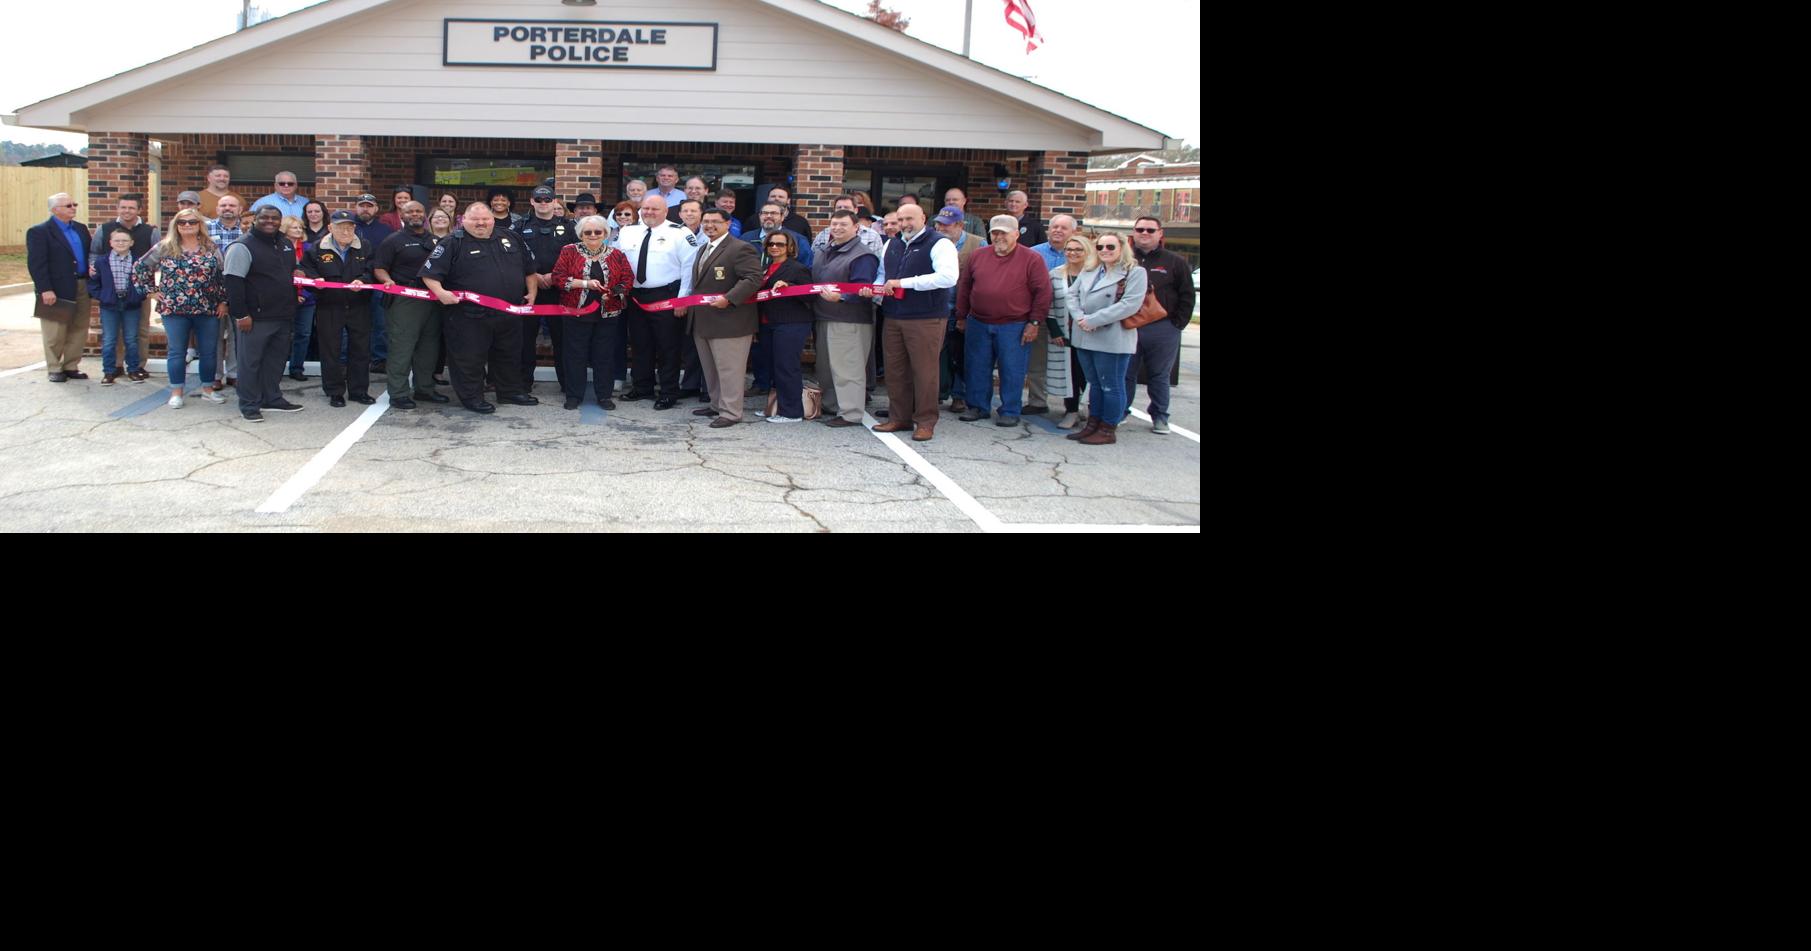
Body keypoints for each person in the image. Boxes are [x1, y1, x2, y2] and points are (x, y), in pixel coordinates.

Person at [420, 203, 539, 414]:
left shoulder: (511, 238)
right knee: (469, 358)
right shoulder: (452, 242)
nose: (481, 223)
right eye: (475, 220)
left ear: (493, 219)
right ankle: (472, 397)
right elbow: (430, 274)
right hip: (468, 316)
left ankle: (510, 391)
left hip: (509, 313)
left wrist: (532, 292)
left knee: (509, 355)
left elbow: (529, 269)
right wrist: (441, 293)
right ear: (463, 220)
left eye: (485, 219)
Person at [867, 202, 955, 441]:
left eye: (910, 219)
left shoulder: (939, 242)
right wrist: (873, 291)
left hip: (926, 317)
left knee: (925, 372)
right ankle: (899, 418)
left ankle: (925, 422)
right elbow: (883, 276)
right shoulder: (891, 244)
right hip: (894, 315)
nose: (905, 224)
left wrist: (904, 283)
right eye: (901, 219)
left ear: (923, 218)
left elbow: (948, 277)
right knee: (895, 371)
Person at [956, 214, 1052, 427]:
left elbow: (1042, 293)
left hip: (1015, 324)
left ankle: (1010, 410)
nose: (998, 237)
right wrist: (961, 315)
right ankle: (977, 406)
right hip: (978, 322)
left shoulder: (1032, 258)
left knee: (1012, 369)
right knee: (977, 367)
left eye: (1004, 233)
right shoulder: (978, 255)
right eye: (995, 233)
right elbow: (965, 287)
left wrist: (1034, 322)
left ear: (1016, 234)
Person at [133, 209, 227, 407]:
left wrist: (223, 301)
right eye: (182, 222)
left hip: (207, 307)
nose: (187, 225)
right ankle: (176, 392)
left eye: (192, 221)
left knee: (209, 351)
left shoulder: (210, 247)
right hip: (174, 308)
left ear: (199, 224)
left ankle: (208, 389)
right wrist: (150, 291)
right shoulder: (165, 247)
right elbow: (140, 267)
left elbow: (222, 275)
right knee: (177, 351)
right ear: (175, 225)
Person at [614, 194, 700, 409]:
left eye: (654, 209)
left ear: (665, 211)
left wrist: (683, 300)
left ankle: (668, 392)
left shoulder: (680, 234)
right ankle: (642, 387)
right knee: (640, 344)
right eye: (645, 208)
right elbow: (618, 262)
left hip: (667, 296)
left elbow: (689, 269)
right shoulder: (628, 232)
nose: (649, 212)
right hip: (635, 297)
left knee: (667, 347)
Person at [223, 205, 305, 422]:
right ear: (255, 220)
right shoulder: (242, 246)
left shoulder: (285, 243)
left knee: (275, 361)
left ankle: (272, 398)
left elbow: (290, 270)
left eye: (275, 218)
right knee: (250, 363)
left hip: (283, 314)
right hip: (254, 318)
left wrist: (298, 272)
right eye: (265, 218)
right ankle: (249, 404)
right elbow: (233, 282)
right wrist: (241, 315)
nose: (270, 221)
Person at [681, 208, 761, 428]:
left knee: (729, 370)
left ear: (728, 224)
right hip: (704, 320)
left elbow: (754, 278)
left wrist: (729, 298)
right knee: (711, 369)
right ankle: (717, 405)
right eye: (706, 222)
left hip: (730, 321)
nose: (709, 226)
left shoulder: (740, 248)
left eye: (715, 222)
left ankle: (731, 412)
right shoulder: (704, 248)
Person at [1065, 231, 1144, 445]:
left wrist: (1094, 320)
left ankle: (1108, 428)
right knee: (1094, 384)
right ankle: (1093, 424)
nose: (1105, 251)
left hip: (1112, 336)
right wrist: (1080, 317)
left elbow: (1129, 305)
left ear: (1122, 248)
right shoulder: (1090, 270)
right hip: (1084, 334)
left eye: (1110, 247)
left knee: (1111, 385)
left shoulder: (1134, 273)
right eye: (1100, 247)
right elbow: (1071, 294)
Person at [548, 215, 633, 411]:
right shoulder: (569, 251)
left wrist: (612, 293)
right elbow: (558, 278)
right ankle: (573, 395)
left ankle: (604, 396)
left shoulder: (617, 254)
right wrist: (583, 283)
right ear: (580, 234)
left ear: (605, 233)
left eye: (598, 232)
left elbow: (627, 279)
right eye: (588, 232)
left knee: (604, 355)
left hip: (608, 313)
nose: (593, 235)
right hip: (576, 313)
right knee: (574, 355)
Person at [1124, 217, 1194, 436]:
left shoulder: (1174, 262)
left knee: (1159, 375)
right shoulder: (1124, 258)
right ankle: (1120, 412)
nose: (1144, 233)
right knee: (1126, 373)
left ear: (1160, 233)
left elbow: (1187, 295)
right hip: (1128, 326)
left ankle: (1160, 416)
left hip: (1163, 328)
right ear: (1133, 232)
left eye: (1150, 230)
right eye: (1140, 229)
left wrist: (1177, 325)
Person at [299, 210, 376, 408]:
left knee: (360, 349)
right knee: (330, 350)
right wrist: (314, 283)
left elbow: (372, 270)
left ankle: (359, 391)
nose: (345, 230)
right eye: (341, 226)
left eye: (349, 226)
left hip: (359, 305)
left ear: (355, 228)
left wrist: (364, 280)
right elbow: (306, 272)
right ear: (330, 228)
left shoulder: (365, 246)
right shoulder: (317, 248)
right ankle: (334, 392)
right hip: (329, 305)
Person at [810, 210, 880, 429]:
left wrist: (841, 297)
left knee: (848, 368)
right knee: (826, 367)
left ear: (856, 228)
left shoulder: (862, 255)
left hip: (849, 319)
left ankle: (850, 413)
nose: (837, 228)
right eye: (834, 224)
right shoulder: (824, 250)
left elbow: (863, 287)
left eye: (843, 224)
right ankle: (832, 406)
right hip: (824, 315)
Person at [372, 200, 445, 408]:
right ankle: (398, 393)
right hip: (405, 299)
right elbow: (379, 268)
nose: (415, 214)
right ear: (402, 216)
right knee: (402, 347)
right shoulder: (393, 240)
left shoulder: (435, 241)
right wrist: (387, 281)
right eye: (410, 211)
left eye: (419, 211)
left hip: (431, 298)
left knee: (429, 347)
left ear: (425, 215)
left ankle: (425, 389)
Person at [88, 192, 159, 378]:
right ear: (118, 208)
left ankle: (138, 365)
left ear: (139, 210)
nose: (127, 211)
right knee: (113, 334)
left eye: (131, 207)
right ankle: (117, 365)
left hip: (139, 291)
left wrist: (146, 278)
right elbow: (94, 252)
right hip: (111, 290)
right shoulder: (104, 229)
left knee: (140, 330)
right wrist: (92, 267)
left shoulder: (150, 231)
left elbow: (158, 257)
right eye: (123, 207)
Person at [517, 184, 575, 394]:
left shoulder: (569, 227)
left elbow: (576, 257)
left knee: (563, 340)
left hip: (559, 291)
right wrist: (534, 276)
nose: (543, 203)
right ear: (532, 201)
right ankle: (523, 384)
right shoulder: (520, 226)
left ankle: (567, 385)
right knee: (525, 340)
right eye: (539, 200)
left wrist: (554, 275)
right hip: (528, 291)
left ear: (554, 202)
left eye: (547, 199)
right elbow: (514, 257)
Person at [1020, 213, 1079, 416]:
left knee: (1073, 364)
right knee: (1038, 361)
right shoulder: (1034, 253)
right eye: (1054, 227)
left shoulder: (1079, 255)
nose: (1057, 231)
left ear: (1073, 232)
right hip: (1040, 316)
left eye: (1063, 228)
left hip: (1071, 319)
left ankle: (1073, 406)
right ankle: (1037, 401)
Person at [755, 229, 814, 423]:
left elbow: (810, 296)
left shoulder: (797, 269)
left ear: (789, 247)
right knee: (773, 366)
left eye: (779, 244)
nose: (774, 248)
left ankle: (792, 412)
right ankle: (775, 406)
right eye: (771, 244)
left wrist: (790, 287)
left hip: (791, 323)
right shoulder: (766, 268)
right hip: (768, 322)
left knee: (786, 367)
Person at [930, 205, 982, 413]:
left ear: (960, 225)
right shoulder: (931, 242)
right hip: (937, 307)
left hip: (963, 309)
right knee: (937, 355)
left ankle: (959, 395)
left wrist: (968, 312)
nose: (942, 228)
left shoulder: (977, 244)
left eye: (947, 225)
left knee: (960, 355)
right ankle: (938, 393)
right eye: (939, 224)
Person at [1046, 233, 1095, 429]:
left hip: (1091, 332)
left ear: (1087, 251)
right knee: (1071, 373)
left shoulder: (1096, 274)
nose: (1072, 253)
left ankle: (1093, 411)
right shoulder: (1056, 274)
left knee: (1090, 374)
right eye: (1069, 249)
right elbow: (1048, 304)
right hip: (1065, 333)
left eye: (1078, 249)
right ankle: (1071, 410)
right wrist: (1055, 331)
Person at [93, 227, 149, 385]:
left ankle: (133, 369)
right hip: (109, 304)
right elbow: (93, 283)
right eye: (117, 240)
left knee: (131, 338)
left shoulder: (138, 261)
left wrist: (138, 296)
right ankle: (109, 372)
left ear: (131, 243)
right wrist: (102, 296)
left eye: (124, 240)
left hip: (131, 304)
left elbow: (145, 281)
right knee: (110, 339)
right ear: (110, 243)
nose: (121, 243)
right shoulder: (102, 262)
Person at [206, 195, 246, 388]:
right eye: (223, 205)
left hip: (239, 287)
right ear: (217, 208)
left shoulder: (246, 229)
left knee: (236, 333)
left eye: (232, 205)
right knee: (214, 334)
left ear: (239, 209)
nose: (227, 208)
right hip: (212, 289)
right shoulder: (205, 229)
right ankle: (215, 374)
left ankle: (234, 373)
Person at [353, 194, 396, 372]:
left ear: (376, 208)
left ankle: (379, 359)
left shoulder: (385, 230)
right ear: (356, 207)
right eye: (361, 205)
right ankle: (356, 357)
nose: (365, 209)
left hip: (378, 282)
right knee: (356, 324)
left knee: (381, 324)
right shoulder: (349, 227)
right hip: (354, 282)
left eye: (369, 206)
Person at [281, 216, 317, 382]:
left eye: (300, 228)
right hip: (284, 299)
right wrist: (293, 295)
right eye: (294, 227)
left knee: (303, 334)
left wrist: (303, 294)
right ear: (285, 229)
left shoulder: (310, 249)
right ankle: (278, 367)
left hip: (307, 299)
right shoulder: (279, 248)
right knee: (282, 335)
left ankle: (297, 368)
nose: (298, 230)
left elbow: (315, 274)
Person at [811, 194, 883, 256]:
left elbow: (876, 263)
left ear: (856, 210)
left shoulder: (872, 236)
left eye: (846, 207)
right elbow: (814, 258)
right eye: (839, 207)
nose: (842, 210)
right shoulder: (823, 234)